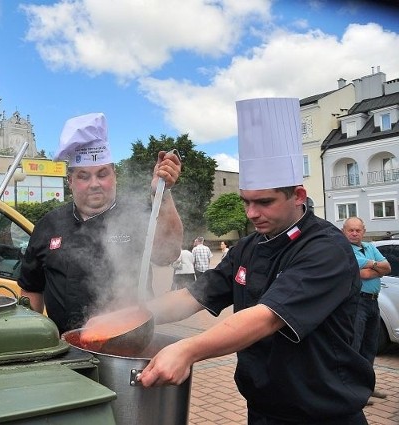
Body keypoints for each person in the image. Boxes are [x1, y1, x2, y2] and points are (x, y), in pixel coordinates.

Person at [132, 98, 374, 423]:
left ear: (298, 196)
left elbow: (267, 318)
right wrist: (134, 317)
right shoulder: (247, 247)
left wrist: (188, 349)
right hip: (262, 410)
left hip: (323, 414)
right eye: (245, 201)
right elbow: (193, 296)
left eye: (264, 202)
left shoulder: (325, 247)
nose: (251, 213)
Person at [18, 112, 183, 334]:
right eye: (84, 176)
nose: (94, 184)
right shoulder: (49, 224)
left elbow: (168, 254)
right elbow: (31, 289)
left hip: (130, 344)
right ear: (70, 181)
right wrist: (35, 340)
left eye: (102, 174)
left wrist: (162, 194)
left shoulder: (135, 214)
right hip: (64, 349)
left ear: (114, 175)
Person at [342, 216, 391, 402]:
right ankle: (350, 392)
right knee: (355, 347)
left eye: (358, 230)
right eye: (350, 230)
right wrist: (376, 266)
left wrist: (372, 266)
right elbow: (361, 274)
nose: (354, 233)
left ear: (364, 231)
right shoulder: (345, 250)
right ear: (343, 232)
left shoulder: (370, 247)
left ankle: (366, 387)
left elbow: (387, 267)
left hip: (373, 302)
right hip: (357, 303)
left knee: (370, 348)